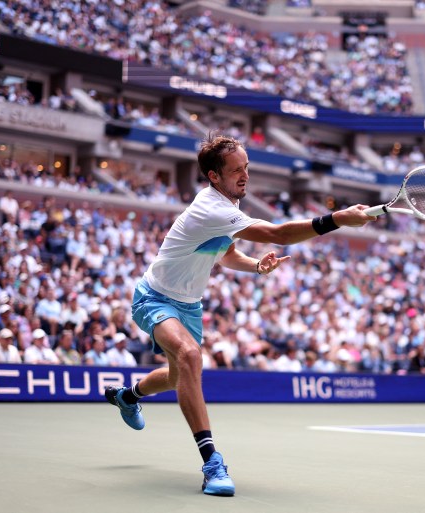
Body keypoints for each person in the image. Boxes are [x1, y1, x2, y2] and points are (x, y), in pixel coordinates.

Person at [103, 133, 376, 497]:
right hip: (154, 298)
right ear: (215, 176)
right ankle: (212, 462)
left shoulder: (223, 209)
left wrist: (255, 267)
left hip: (189, 306)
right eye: (236, 170)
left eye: (246, 167)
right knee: (189, 357)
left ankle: (129, 396)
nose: (245, 175)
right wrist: (337, 219)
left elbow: (226, 253)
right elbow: (278, 234)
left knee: (176, 377)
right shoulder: (210, 207)